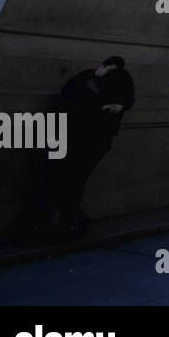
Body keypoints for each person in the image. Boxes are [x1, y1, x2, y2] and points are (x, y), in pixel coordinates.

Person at [44, 56, 135, 238]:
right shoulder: (87, 78)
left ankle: (66, 222)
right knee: (68, 181)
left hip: (88, 141)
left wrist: (121, 105)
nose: (105, 73)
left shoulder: (115, 85)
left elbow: (128, 98)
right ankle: (67, 221)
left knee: (72, 180)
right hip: (76, 138)